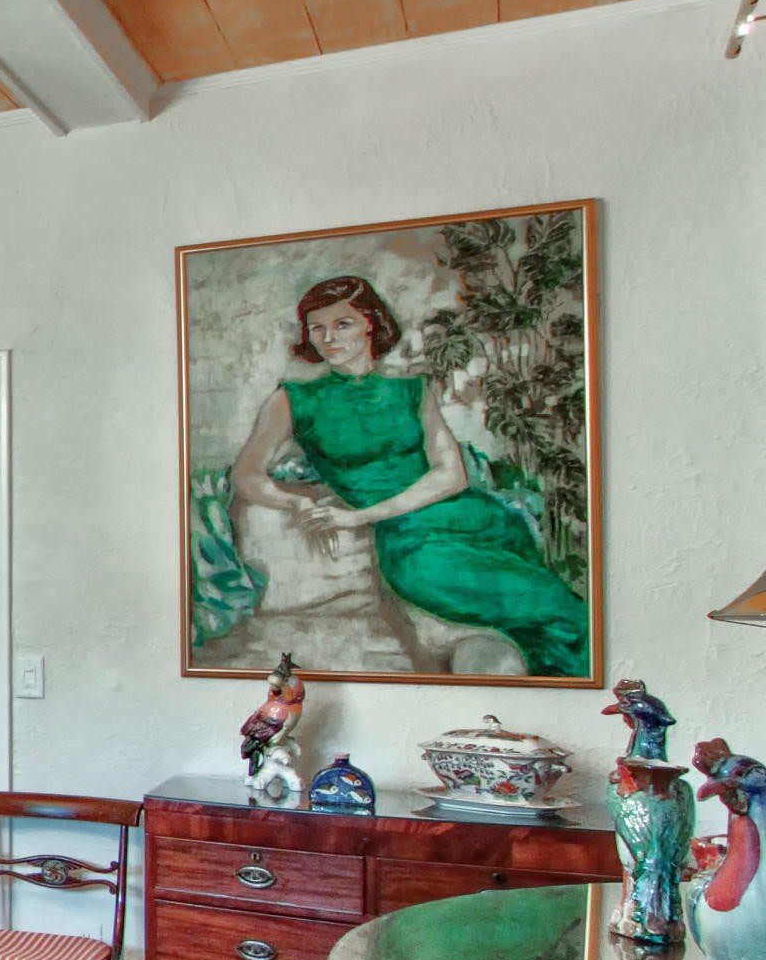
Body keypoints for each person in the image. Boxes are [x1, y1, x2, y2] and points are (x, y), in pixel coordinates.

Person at [229, 274, 588, 677]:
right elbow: (246, 474)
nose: (328, 338)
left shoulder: (413, 390)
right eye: (317, 328)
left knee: (559, 610)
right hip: (411, 541)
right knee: (542, 606)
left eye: (342, 324)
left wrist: (360, 516)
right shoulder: (292, 400)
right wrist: (296, 502)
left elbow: (451, 476)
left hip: (475, 519)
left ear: (370, 324)